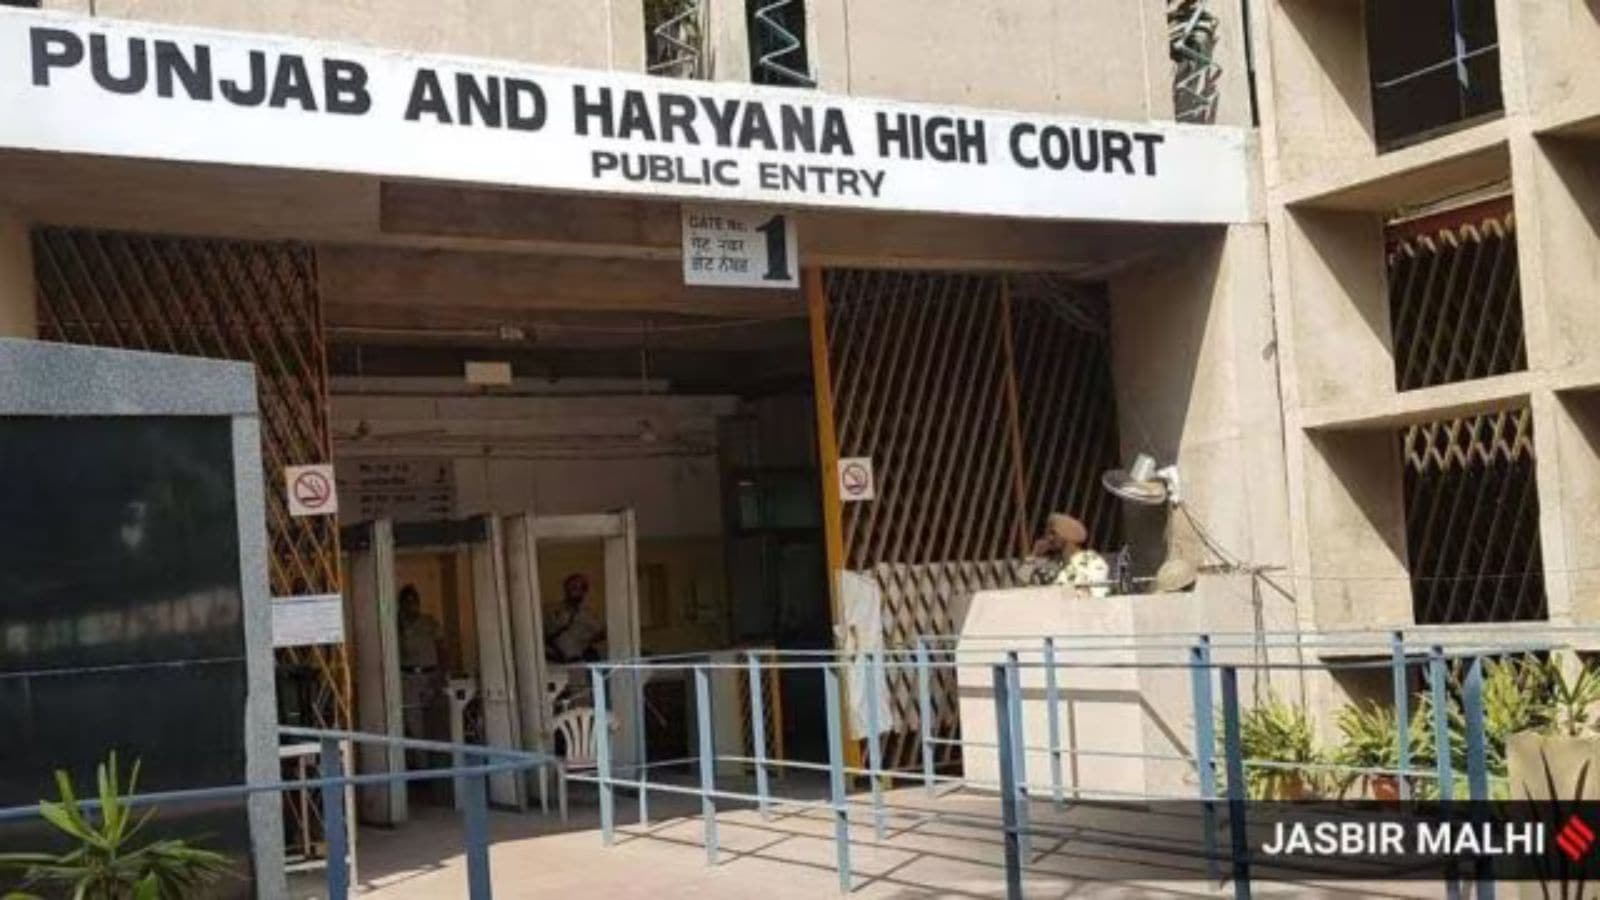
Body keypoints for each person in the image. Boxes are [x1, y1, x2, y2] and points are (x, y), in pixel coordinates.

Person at [397, 584, 444, 739]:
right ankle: (420, 753)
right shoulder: (398, 626)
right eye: (406, 602)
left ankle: (433, 751)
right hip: (409, 677)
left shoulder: (429, 622)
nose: (411, 606)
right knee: (413, 720)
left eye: (413, 601)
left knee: (434, 718)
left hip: (430, 675)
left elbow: (441, 647)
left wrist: (442, 673)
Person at [546, 573, 606, 663]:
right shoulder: (553, 610)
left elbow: (601, 632)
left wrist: (587, 642)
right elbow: (547, 634)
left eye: (582, 587)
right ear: (566, 588)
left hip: (581, 658)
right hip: (557, 658)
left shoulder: (588, 613)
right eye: (574, 587)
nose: (578, 591)